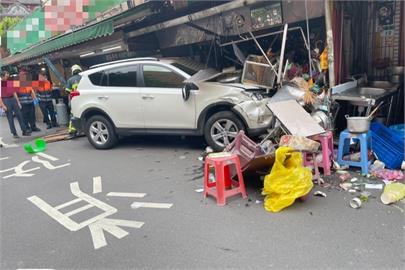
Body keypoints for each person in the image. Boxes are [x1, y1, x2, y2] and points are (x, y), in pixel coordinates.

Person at [0, 71, 31, 138]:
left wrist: (18, 102)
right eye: (6, 75)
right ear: (2, 76)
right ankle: (14, 133)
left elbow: (14, 92)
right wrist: (3, 105)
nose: (7, 76)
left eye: (8, 75)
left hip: (13, 99)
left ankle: (24, 131)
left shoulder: (9, 82)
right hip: (5, 100)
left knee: (20, 115)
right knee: (10, 117)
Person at [66, 64, 82, 137]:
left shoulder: (70, 80)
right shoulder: (83, 77)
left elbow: (67, 91)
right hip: (84, 99)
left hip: (74, 101)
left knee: (73, 116)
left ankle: (72, 131)